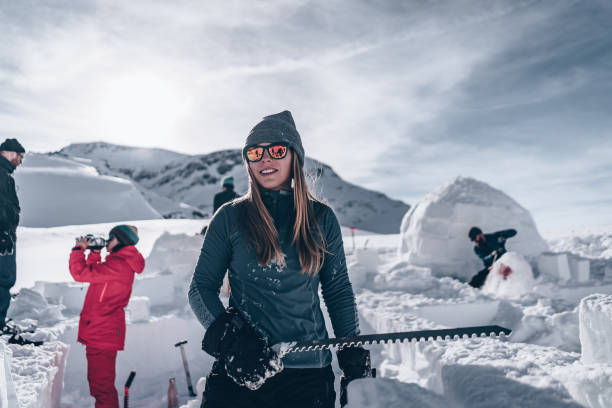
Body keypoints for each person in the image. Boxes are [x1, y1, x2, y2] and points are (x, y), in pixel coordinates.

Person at [189, 111, 372, 408]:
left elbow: (337, 290)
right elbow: (201, 287)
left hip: (307, 375)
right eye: (254, 152)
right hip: (240, 372)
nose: (265, 159)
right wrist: (232, 343)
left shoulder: (321, 219)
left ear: (294, 157)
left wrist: (350, 352)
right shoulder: (230, 217)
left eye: (276, 150)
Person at [69, 225, 145, 408]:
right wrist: (95, 253)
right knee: (100, 385)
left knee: (102, 388)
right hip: (102, 330)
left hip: (102, 332)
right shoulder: (118, 263)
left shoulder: (118, 265)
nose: (107, 241)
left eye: (112, 238)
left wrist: (78, 250)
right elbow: (97, 275)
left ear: (122, 241)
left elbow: (80, 274)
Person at [0, 138, 25, 330]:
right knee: (4, 278)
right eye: (19, 156)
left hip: (5, 235)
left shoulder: (5, 175)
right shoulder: (1, 175)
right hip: (3, 237)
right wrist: (3, 233)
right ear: (8, 153)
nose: (20, 161)